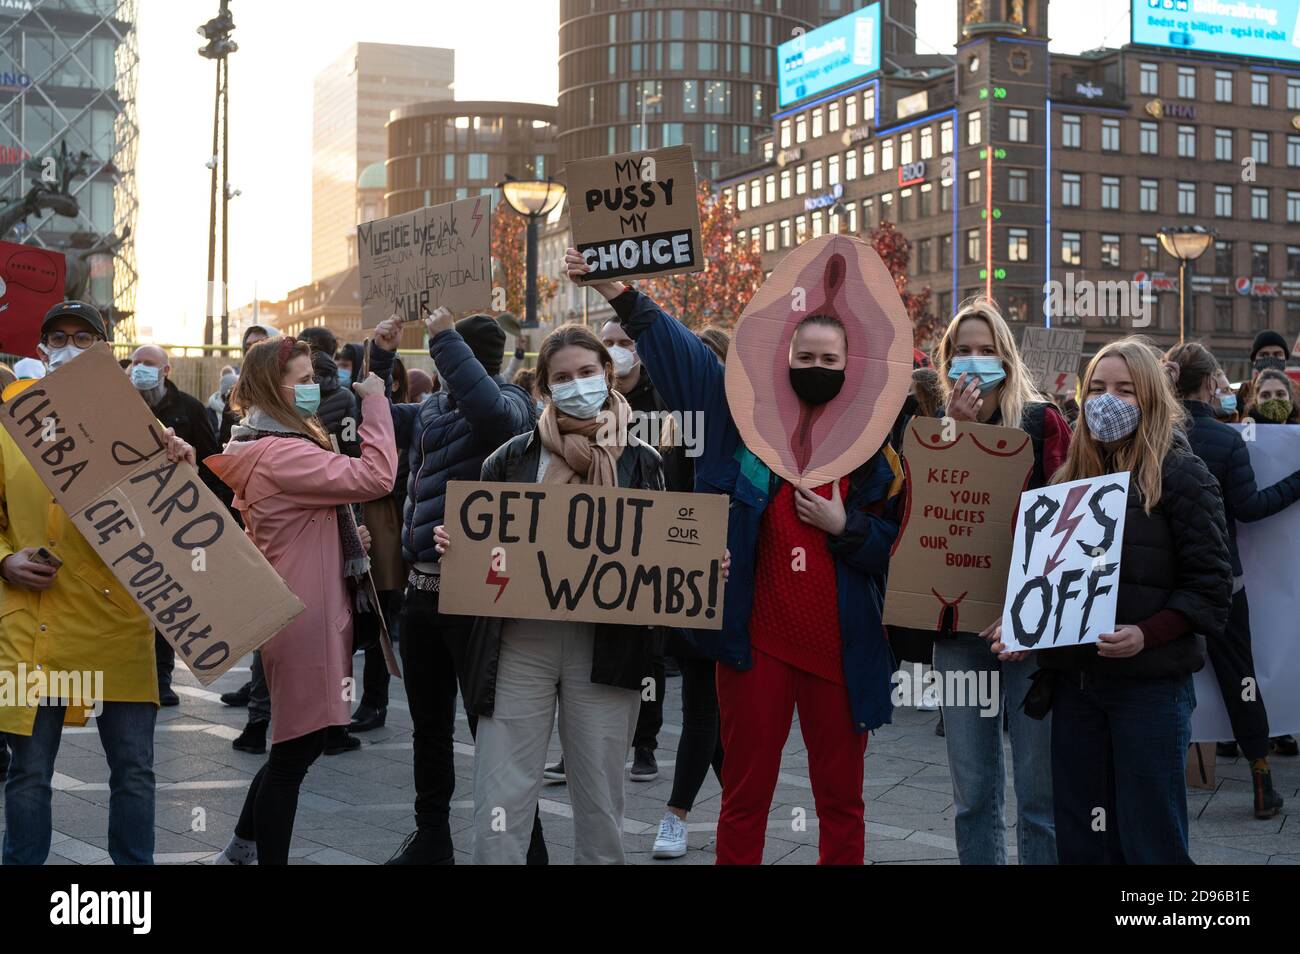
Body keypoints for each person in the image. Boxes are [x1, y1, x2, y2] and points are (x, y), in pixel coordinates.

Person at [566, 248, 904, 866]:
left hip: (842, 648)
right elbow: (682, 354)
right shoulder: (737, 421)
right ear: (783, 361)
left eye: (830, 360)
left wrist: (844, 526)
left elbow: (893, 551)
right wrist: (619, 291)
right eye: (805, 357)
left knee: (842, 802)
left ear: (850, 369)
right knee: (745, 795)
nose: (817, 368)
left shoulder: (873, 451)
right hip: (754, 646)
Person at [442, 324, 683, 863]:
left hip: (607, 648)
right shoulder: (508, 460)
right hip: (518, 644)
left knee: (601, 805)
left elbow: (664, 547)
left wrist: (700, 562)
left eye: (586, 372)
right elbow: (485, 543)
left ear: (608, 374)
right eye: (562, 378)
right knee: (499, 798)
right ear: (546, 389)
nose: (576, 384)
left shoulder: (643, 460)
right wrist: (456, 544)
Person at [993, 336, 1232, 864]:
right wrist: (1022, 627)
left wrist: (1148, 633)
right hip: (1076, 689)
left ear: (1150, 398)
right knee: (1082, 837)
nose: (1108, 399)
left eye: (1125, 389)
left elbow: (1211, 589)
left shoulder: (1184, 476)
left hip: (1149, 692)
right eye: (1098, 387)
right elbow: (1048, 585)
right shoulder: (1066, 481)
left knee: (1151, 839)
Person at [1, 300, 196, 865]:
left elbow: (174, 521)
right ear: (40, 350)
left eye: (84, 339)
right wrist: (5, 560)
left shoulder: (141, 430)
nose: (69, 348)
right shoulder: (7, 425)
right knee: (29, 771)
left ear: (106, 350)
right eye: (58, 337)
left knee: (134, 769)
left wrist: (179, 464)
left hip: (119, 625)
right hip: (33, 623)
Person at [206, 336, 396, 864]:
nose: (314, 388)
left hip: (298, 606)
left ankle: (241, 846)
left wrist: (334, 532)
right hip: (303, 614)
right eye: (304, 378)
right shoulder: (284, 451)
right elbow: (377, 476)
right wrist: (376, 400)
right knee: (294, 752)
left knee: (296, 744)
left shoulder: (266, 444)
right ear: (274, 385)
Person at [366, 307, 539, 865]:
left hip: (476, 597)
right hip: (422, 594)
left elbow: (487, 408)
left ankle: (526, 846)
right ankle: (431, 835)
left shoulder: (513, 405)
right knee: (429, 726)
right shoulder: (430, 408)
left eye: (449, 355)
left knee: (491, 731)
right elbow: (372, 416)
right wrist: (381, 355)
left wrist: (442, 338)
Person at [925, 298, 1070, 866]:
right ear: (946, 362)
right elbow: (919, 523)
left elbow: (1064, 522)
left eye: (987, 351)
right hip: (959, 630)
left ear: (1007, 360)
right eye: (963, 352)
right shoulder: (930, 430)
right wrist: (953, 437)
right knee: (973, 792)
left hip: (1028, 632)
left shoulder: (1041, 422)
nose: (975, 362)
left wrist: (1025, 611)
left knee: (1039, 793)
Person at [1167, 342, 1299, 815]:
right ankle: (1262, 777)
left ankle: (1163, 777)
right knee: (1240, 677)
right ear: (1208, 384)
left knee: (1162, 680)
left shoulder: (1154, 434)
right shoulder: (1227, 442)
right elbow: (1250, 508)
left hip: (1161, 586)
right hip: (1222, 584)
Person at [652, 324, 730, 860]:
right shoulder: (671, 434)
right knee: (707, 708)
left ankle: (675, 815)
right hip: (684, 582)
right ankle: (743, 802)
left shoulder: (741, 432)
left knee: (705, 709)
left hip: (728, 581)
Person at [127, 344, 229, 707]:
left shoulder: (188, 408)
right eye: (135, 363)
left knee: (165, 597)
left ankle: (162, 677)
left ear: (165, 370)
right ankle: (126, 673)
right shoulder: (118, 405)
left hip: (172, 517)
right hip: (126, 516)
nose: (139, 369)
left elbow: (212, 461)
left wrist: (209, 512)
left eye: (148, 364)